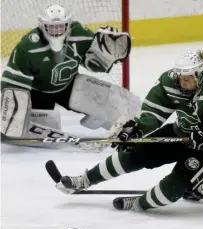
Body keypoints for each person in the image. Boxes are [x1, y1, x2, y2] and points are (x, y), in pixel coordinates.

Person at [57, 40, 203, 211]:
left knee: (174, 186)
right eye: (180, 77)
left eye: (188, 78)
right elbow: (153, 112)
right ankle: (84, 180)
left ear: (200, 75)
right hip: (180, 133)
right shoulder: (170, 82)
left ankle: (140, 204)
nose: (182, 83)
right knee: (134, 153)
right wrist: (138, 130)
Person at [1, 4, 139, 151]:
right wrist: (13, 110)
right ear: (42, 26)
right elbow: (11, 82)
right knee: (44, 132)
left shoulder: (80, 34)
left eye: (61, 27)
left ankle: (135, 127)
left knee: (114, 104)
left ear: (69, 25)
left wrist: (107, 54)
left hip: (69, 86)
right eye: (51, 27)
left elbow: (93, 65)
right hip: (38, 93)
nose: (56, 32)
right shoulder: (28, 46)